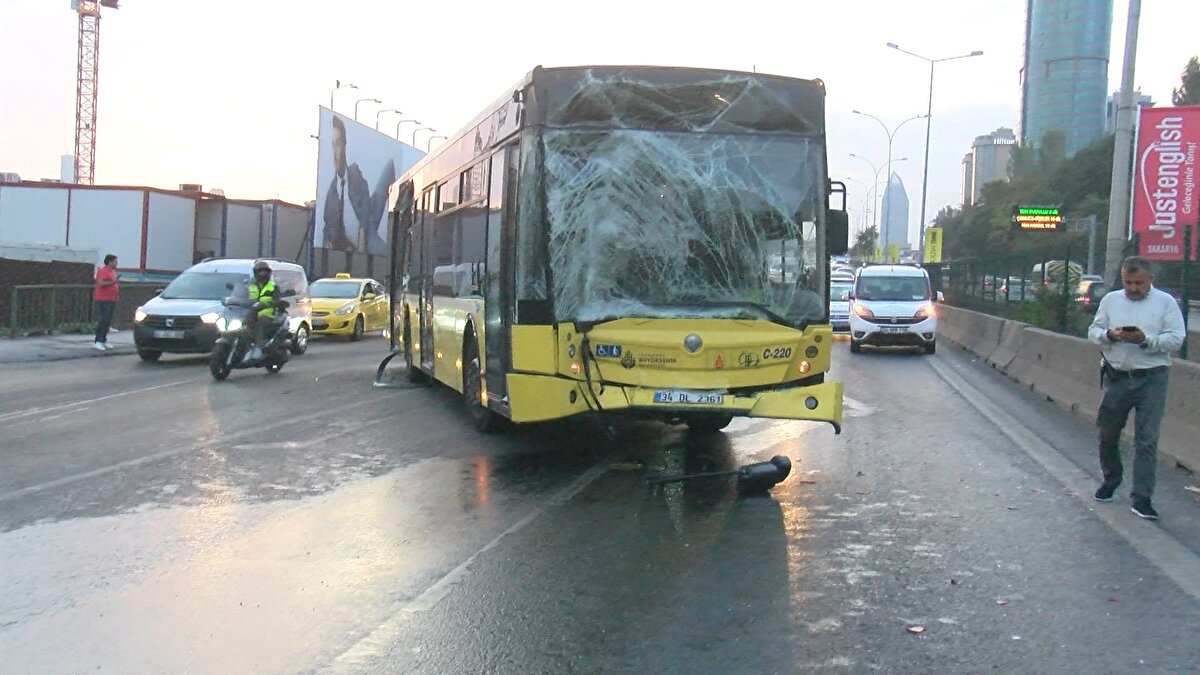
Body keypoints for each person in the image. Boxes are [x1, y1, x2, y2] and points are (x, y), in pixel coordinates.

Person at [1087, 256, 1186, 520]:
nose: (1133, 288)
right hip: (1117, 375)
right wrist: (1110, 335)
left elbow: (1176, 339)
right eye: (1128, 282)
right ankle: (1111, 479)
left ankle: (1142, 498)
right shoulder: (1111, 301)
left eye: (1139, 283)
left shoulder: (1165, 303)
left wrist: (1146, 340)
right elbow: (1093, 330)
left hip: (1152, 378)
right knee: (1107, 433)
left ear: (1150, 280)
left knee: (1147, 440)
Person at [321, 116, 392, 255]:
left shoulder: (355, 174)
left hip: (366, 228)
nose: (335, 152)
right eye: (333, 144)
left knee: (390, 166)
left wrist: (360, 247)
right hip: (361, 234)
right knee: (381, 249)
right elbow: (328, 228)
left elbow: (364, 212)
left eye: (339, 143)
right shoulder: (331, 194)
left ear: (345, 145)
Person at [245, 260, 280, 362]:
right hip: (251, 313)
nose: (262, 274)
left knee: (259, 324)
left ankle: (258, 348)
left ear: (268, 273)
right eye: (260, 271)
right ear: (256, 273)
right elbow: (242, 295)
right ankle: (244, 348)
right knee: (243, 325)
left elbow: (277, 300)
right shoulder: (249, 286)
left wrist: (269, 304)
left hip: (267, 315)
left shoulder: (273, 287)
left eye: (265, 272)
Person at [93, 254, 119, 351]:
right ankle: (97, 341)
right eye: (115, 261)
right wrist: (113, 282)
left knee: (107, 321)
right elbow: (101, 284)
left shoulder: (113, 271)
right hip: (103, 299)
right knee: (103, 320)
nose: (116, 263)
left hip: (111, 299)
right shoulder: (102, 271)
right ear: (110, 262)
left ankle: (103, 340)